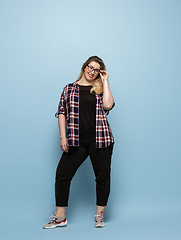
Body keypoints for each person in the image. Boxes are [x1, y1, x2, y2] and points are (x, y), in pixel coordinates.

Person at [43, 56, 115, 229]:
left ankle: (99, 215)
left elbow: (108, 106)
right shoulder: (69, 89)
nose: (92, 71)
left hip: (100, 138)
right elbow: (62, 112)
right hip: (76, 140)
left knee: (102, 177)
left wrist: (105, 81)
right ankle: (60, 217)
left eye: (96, 70)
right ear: (84, 67)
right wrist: (63, 137)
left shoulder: (99, 89)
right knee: (62, 175)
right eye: (90, 67)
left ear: (100, 72)